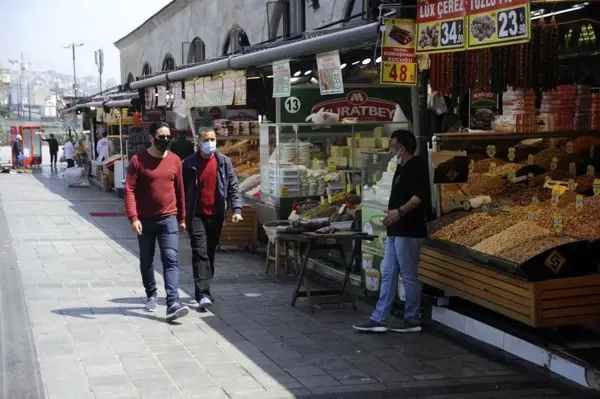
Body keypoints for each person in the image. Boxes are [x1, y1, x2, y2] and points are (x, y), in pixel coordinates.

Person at [353, 130, 429, 333]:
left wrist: (399, 213)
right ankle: (379, 319)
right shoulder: (400, 168)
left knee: (409, 275)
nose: (391, 150)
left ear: (402, 149)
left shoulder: (417, 167)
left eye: (393, 146)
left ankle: (412, 319)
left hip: (409, 230)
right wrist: (392, 216)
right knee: (387, 273)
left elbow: (419, 197)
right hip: (396, 230)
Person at [124, 121, 189, 322]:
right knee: (146, 260)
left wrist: (183, 217)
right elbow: (129, 190)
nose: (166, 140)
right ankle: (151, 293)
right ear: (151, 138)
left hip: (168, 218)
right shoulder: (138, 161)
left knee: (171, 259)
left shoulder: (176, 161)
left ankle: (172, 302)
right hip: (145, 220)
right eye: (161, 136)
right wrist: (133, 217)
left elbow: (180, 191)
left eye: (168, 136)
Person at [182, 127, 242, 310]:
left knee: (209, 253)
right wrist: (181, 216)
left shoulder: (224, 162)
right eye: (206, 140)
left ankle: (206, 287)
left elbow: (233, 186)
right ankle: (202, 294)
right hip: (196, 215)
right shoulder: (188, 164)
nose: (210, 143)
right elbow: (181, 191)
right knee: (200, 252)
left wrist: (237, 209)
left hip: (216, 214)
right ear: (199, 142)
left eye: (213, 139)